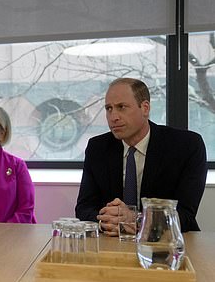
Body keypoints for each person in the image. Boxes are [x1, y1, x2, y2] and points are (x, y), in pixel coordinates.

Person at [75, 77, 207, 235]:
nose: (113, 117)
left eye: (121, 107)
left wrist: (136, 219)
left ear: (145, 108)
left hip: (167, 243)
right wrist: (107, 221)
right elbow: (84, 208)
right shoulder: (98, 147)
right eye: (109, 108)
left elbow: (185, 215)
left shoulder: (186, 146)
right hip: (112, 241)